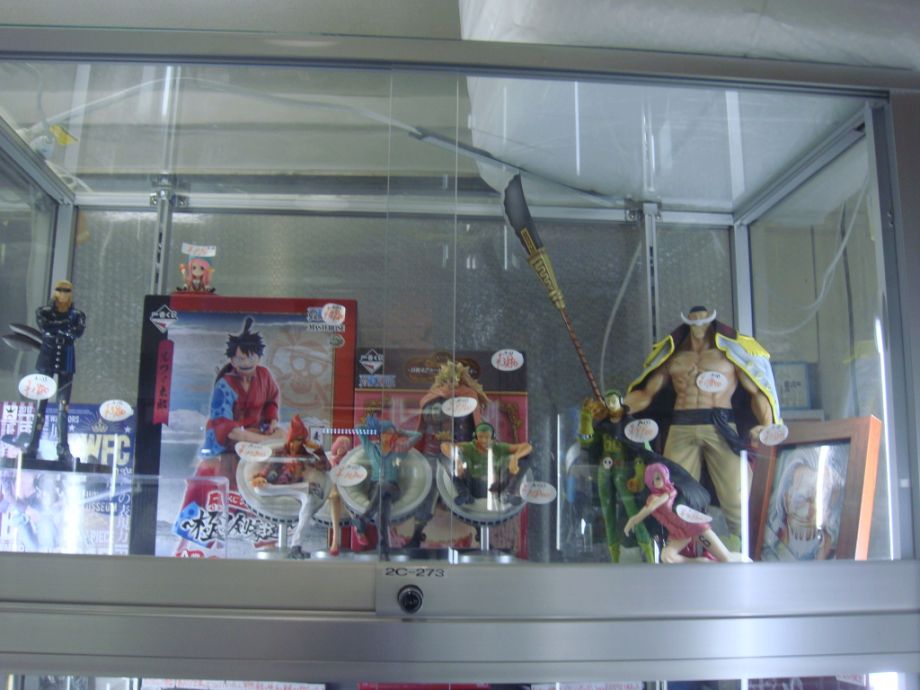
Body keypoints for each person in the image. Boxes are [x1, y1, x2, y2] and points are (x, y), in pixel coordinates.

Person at [624, 306, 782, 538]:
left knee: (738, 498)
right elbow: (647, 394)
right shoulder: (674, 356)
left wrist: (767, 424)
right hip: (682, 424)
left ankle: (746, 547)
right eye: (694, 320)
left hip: (721, 425)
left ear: (711, 321)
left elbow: (757, 391)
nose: (698, 324)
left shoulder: (730, 354)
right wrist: (616, 407)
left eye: (702, 319)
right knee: (672, 494)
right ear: (687, 322)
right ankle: (680, 550)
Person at [175, 317, 284, 556]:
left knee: (258, 486)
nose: (245, 362)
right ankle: (187, 545)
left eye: (250, 357)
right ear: (232, 360)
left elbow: (271, 400)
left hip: (253, 442)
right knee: (209, 486)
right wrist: (263, 440)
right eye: (239, 358)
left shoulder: (264, 376)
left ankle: (266, 543)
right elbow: (225, 427)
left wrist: (271, 422)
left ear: (258, 357)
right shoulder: (224, 385)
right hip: (223, 445)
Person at [407, 359, 490, 548]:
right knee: (427, 491)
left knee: (467, 487)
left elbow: (478, 425)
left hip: (458, 451)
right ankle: (417, 534)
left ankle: (481, 532)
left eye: (456, 378)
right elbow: (424, 423)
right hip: (432, 451)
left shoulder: (469, 397)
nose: (452, 382)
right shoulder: (432, 398)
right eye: (448, 378)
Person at [578, 389, 654, 563]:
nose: (611, 403)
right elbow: (586, 439)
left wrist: (639, 474)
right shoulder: (602, 426)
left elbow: (643, 450)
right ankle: (614, 558)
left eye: (614, 400)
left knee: (634, 512)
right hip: (604, 471)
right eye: (608, 401)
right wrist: (586, 417)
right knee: (607, 514)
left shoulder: (631, 425)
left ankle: (648, 553)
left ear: (620, 401)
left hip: (623, 471)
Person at [625, 463, 748, 563]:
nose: (659, 481)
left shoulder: (669, 492)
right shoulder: (652, 497)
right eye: (655, 479)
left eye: (660, 477)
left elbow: (652, 507)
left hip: (693, 526)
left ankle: (748, 563)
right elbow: (650, 507)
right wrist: (634, 519)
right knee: (667, 557)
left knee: (726, 558)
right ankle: (701, 563)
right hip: (679, 533)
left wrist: (634, 519)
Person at [24, 280, 86, 464]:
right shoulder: (43, 311)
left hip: (66, 359)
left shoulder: (78, 315)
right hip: (47, 358)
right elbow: (46, 329)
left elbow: (76, 332)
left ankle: (63, 448)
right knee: (40, 406)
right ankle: (33, 446)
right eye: (60, 289)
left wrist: (57, 327)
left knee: (63, 407)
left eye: (66, 290)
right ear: (54, 291)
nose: (63, 293)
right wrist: (65, 326)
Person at [352, 414, 420, 559]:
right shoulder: (371, 448)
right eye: (385, 433)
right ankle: (383, 549)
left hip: (393, 487)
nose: (388, 436)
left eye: (391, 433)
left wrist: (401, 432)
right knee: (383, 511)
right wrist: (373, 426)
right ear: (380, 434)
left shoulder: (399, 450)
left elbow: (418, 435)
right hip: (375, 490)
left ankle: (363, 519)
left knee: (384, 486)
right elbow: (358, 428)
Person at [761, 446, 845, 561]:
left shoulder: (837, 556)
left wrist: (823, 553)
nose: (807, 512)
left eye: (818, 503)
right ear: (785, 499)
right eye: (800, 500)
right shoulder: (766, 550)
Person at [441, 421, 533, 508]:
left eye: (487, 437)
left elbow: (527, 447)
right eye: (480, 437)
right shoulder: (469, 447)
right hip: (472, 485)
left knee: (525, 458)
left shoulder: (499, 447)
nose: (484, 440)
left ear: (492, 437)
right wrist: (457, 459)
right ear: (476, 436)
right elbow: (444, 446)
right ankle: (464, 493)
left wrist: (515, 458)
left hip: (496, 486)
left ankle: (508, 493)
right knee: (447, 457)